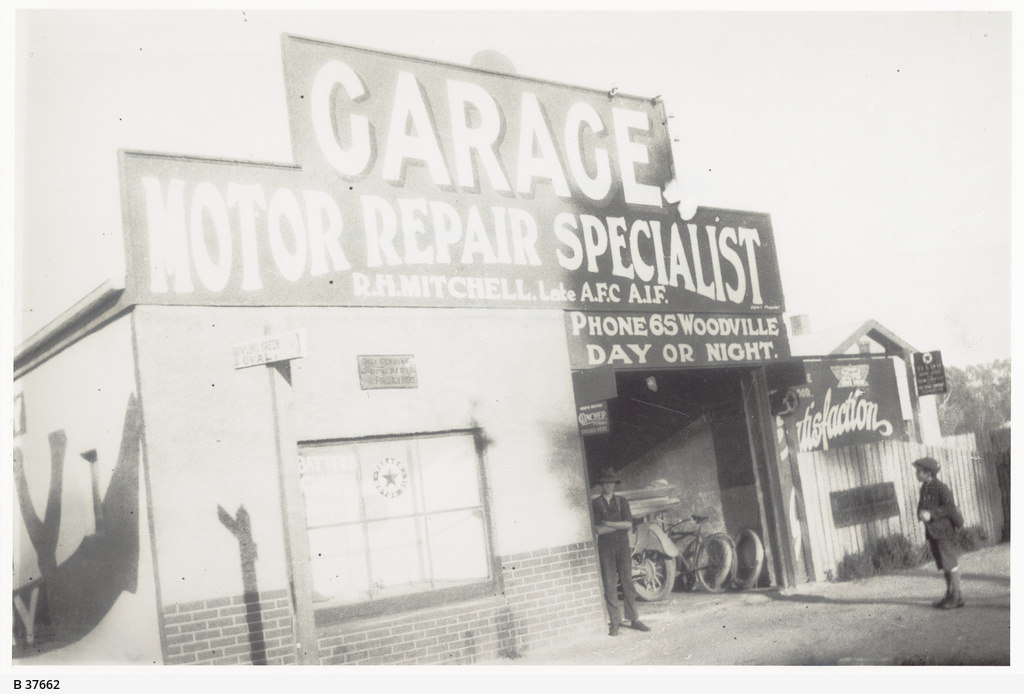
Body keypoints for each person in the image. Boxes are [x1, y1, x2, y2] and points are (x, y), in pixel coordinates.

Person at [591, 468, 651, 636]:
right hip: (606, 547)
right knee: (610, 584)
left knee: (627, 582)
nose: (608, 486)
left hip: (623, 546)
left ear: (614, 485)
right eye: (605, 483)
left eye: (611, 483)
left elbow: (629, 524)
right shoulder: (595, 504)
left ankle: (634, 619)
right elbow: (598, 530)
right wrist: (617, 525)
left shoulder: (622, 501)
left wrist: (608, 523)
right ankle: (615, 622)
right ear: (601, 485)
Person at [914, 457, 965, 609]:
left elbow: (950, 507)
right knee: (944, 564)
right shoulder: (924, 487)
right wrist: (920, 514)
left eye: (919, 471)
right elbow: (921, 505)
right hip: (933, 532)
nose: (916, 473)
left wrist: (932, 515)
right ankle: (950, 594)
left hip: (944, 532)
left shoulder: (941, 487)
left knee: (950, 563)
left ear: (928, 473)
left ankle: (957, 596)